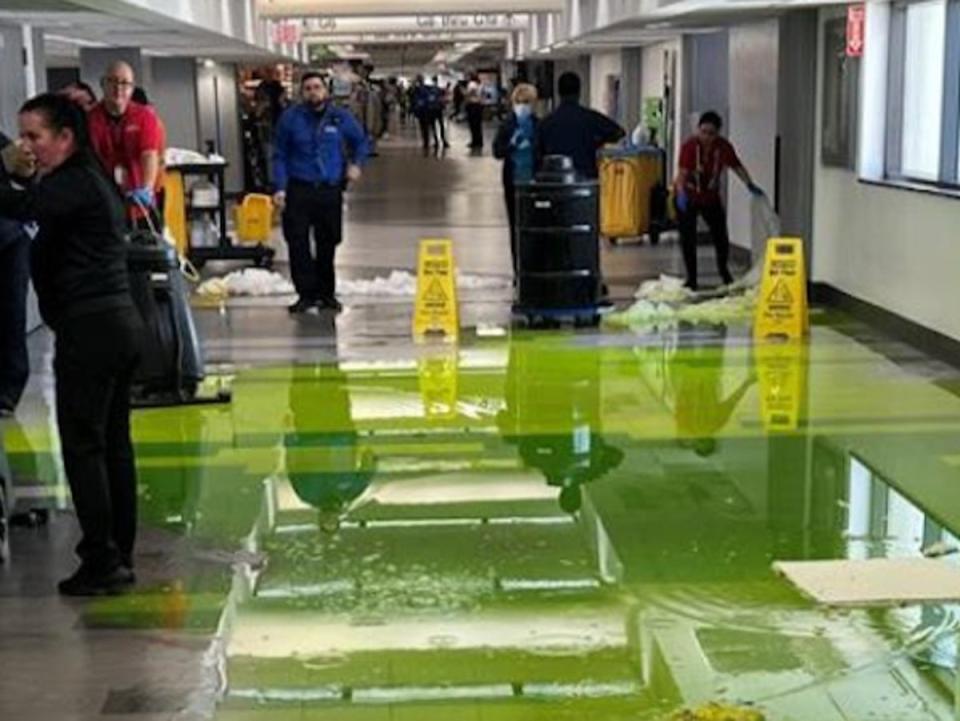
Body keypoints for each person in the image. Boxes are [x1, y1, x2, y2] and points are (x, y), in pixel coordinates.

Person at [0, 93, 142, 596]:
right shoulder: (91, 176)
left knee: (84, 446)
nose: (27, 147)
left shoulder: (71, 183)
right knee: (113, 445)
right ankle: (118, 552)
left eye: (35, 137)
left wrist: (4, 170)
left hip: (92, 330)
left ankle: (102, 560)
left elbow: (19, 205)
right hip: (117, 325)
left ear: (66, 138)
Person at [273, 72, 370, 314]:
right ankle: (306, 295)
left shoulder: (340, 118)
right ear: (301, 92)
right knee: (298, 243)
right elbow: (279, 155)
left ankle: (326, 294)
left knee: (328, 241)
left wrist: (356, 163)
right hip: (299, 189)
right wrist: (280, 187)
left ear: (325, 91)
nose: (312, 92)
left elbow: (361, 141)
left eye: (317, 87)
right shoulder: (290, 119)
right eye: (307, 88)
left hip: (329, 190)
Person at [675, 111, 763, 290]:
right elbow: (682, 174)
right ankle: (691, 279)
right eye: (703, 131)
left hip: (710, 197)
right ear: (698, 130)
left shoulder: (723, 148)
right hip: (689, 195)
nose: (706, 137)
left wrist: (749, 184)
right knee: (688, 239)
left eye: (711, 133)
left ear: (718, 133)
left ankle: (724, 272)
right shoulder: (690, 147)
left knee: (721, 237)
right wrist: (680, 195)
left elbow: (736, 166)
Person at [87, 61, 163, 218]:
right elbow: (87, 159)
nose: (118, 88)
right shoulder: (90, 119)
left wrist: (147, 188)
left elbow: (149, 154)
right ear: (102, 84)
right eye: (112, 81)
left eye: (124, 83)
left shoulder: (144, 117)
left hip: (139, 203)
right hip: (102, 204)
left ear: (132, 88)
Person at [0, 133, 34, 416]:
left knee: (12, 313)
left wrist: (26, 166)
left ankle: (8, 393)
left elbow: (25, 177)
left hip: (9, 241)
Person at [538, 72, 625, 180]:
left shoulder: (545, 123)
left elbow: (538, 155)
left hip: (554, 181)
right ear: (579, 92)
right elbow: (619, 132)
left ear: (558, 92)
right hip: (585, 179)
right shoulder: (590, 118)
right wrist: (597, 143)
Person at [493, 83, 540, 278]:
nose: (523, 106)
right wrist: (511, 144)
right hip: (513, 182)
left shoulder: (539, 125)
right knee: (515, 226)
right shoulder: (507, 124)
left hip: (535, 182)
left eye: (527, 102)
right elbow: (497, 151)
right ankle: (518, 270)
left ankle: (534, 266)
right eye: (520, 102)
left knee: (535, 227)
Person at [465, 75, 485, 150]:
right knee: (478, 125)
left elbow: (471, 92)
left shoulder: (472, 84)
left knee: (473, 125)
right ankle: (479, 141)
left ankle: (474, 141)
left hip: (473, 105)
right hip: (479, 105)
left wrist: (465, 94)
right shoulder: (480, 85)